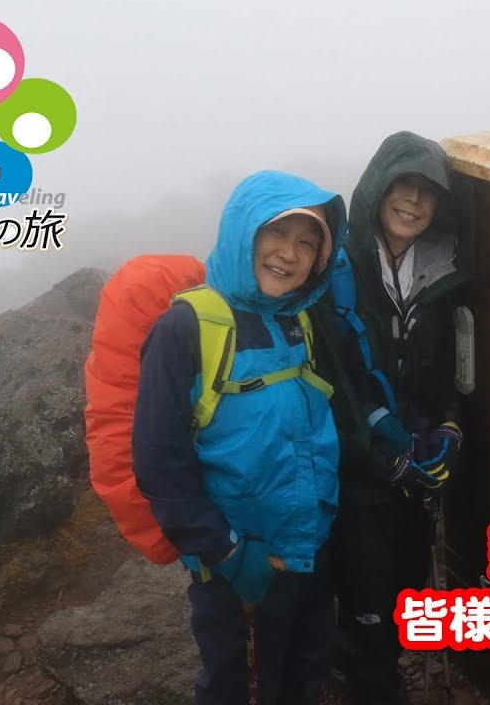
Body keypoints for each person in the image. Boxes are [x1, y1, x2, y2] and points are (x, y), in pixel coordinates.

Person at [133, 170, 344, 705]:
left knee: (305, 673)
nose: (288, 254)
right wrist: (228, 555)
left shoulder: (300, 318)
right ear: (243, 234)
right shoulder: (187, 327)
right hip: (236, 565)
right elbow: (159, 461)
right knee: (237, 686)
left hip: (307, 548)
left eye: (306, 242)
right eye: (275, 234)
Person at [317, 131, 466, 705]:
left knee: (405, 574)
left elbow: (449, 364)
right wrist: (378, 450)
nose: (412, 201)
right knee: (367, 581)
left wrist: (449, 425)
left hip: (415, 452)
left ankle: (361, 651)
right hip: (359, 463)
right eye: (402, 185)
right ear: (377, 188)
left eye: (427, 192)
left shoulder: (441, 272)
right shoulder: (339, 269)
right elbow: (333, 375)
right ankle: (371, 679)